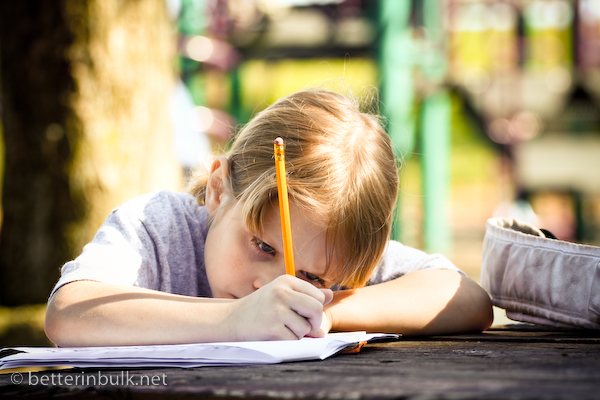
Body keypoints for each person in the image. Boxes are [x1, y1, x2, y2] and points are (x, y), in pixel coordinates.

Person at [45, 89, 493, 347]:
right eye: (262, 247)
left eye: (311, 276)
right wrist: (237, 319)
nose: (275, 286)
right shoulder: (158, 226)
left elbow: (467, 299)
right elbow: (68, 313)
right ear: (219, 189)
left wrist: (329, 310)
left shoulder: (332, 250)